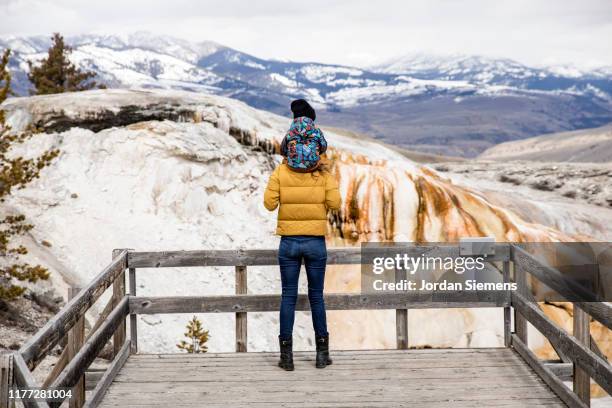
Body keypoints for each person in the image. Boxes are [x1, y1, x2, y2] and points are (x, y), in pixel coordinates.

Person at [264, 99, 341, 371]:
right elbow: (335, 205)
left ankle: (286, 357)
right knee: (316, 297)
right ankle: (322, 355)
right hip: (316, 243)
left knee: (287, 297)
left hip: (288, 243)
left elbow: (269, 204)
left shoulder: (281, 171)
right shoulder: (323, 173)